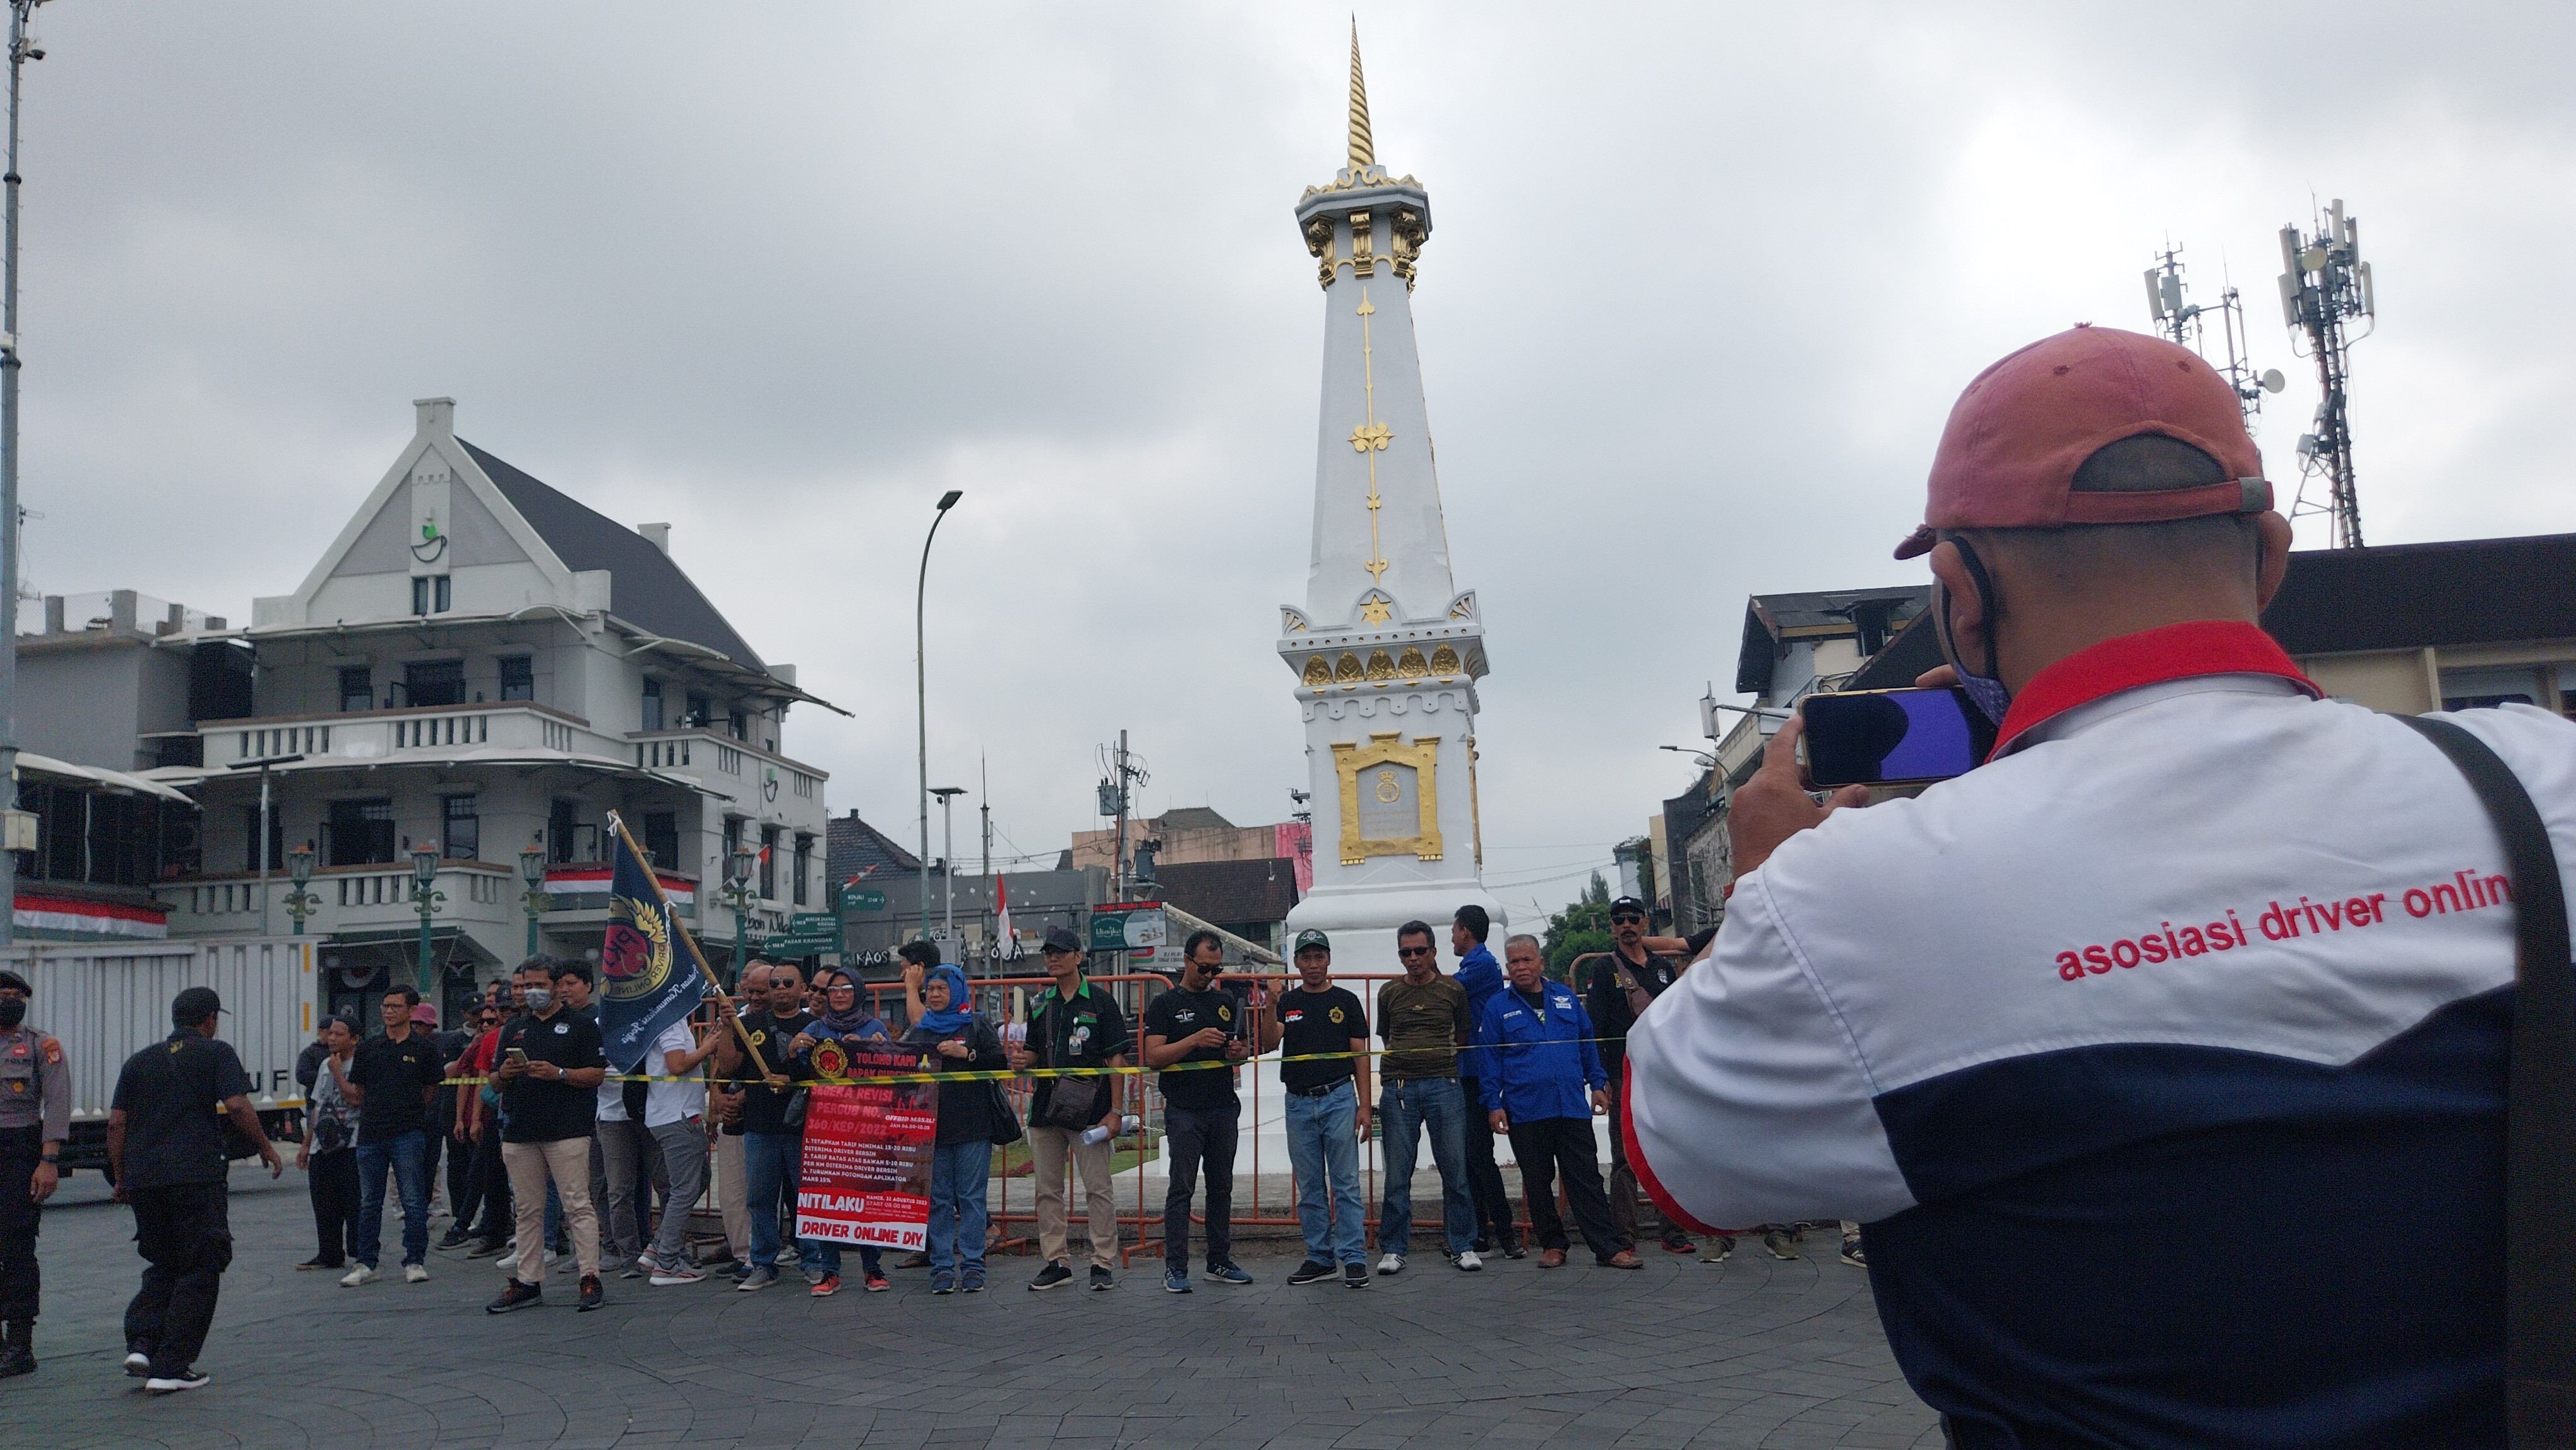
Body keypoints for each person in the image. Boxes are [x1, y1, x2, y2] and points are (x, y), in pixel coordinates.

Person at [1623, 324, 2576, 1447]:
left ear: (1961, 594)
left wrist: (1768, 883)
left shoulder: (1852, 903)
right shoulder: (2539, 786)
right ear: (2270, 554)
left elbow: (1686, 1168)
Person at [107, 986, 284, 1393]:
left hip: (146, 1179)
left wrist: (121, 1177)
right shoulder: (215, 1051)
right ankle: (171, 1367)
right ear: (210, 1020)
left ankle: (142, 1344)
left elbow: (117, 1124)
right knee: (202, 1263)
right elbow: (237, 1106)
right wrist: (266, 1148)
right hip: (194, 1175)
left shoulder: (139, 1061)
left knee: (163, 1261)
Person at [1479, 935, 1639, 1269]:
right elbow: (1490, 1059)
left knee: (1587, 1180)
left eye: (1527, 960)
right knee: (1537, 1182)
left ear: (1540, 962)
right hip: (1526, 1108)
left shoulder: (1565, 998)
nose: (1521, 967)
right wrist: (1493, 1103)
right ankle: (1553, 1244)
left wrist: (1598, 1084)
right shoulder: (1498, 1007)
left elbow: (1587, 1044)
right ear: (1507, 968)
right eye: (1514, 962)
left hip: (1570, 1106)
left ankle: (1608, 1248)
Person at [1006, 925, 1130, 1291]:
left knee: (1098, 1188)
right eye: (1048, 952)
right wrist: (1020, 1059)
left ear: (1079, 956)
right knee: (1047, 1190)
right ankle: (1056, 1261)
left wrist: (1117, 1112)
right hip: (1046, 1109)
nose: (1053, 958)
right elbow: (1032, 1053)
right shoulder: (1041, 1002)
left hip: (1091, 1111)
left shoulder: (1101, 1001)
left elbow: (1117, 1060)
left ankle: (1103, 1262)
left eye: (1060, 951)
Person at [484, 956, 608, 1314]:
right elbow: (493, 1080)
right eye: (525, 986)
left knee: (577, 1204)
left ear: (556, 986)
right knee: (526, 1209)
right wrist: (505, 1073)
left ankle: (590, 1276)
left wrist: (560, 1073)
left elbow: (597, 1074)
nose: (531, 992)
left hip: (567, 1128)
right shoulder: (514, 1029)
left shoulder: (581, 1025)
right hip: (520, 1129)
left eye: (539, 984)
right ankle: (528, 1280)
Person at [1141, 930, 1260, 1292]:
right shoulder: (1164, 1004)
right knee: (1182, 1188)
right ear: (1187, 960)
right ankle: (1175, 1267)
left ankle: (1219, 1260)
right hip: (1184, 1109)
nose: (1209, 975)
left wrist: (1239, 1051)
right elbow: (1153, 1057)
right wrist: (1193, 1039)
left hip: (1222, 1105)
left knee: (1221, 1186)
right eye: (1204, 968)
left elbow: (1243, 1046)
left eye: (1216, 969)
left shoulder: (1225, 1000)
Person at [1583, 897, 1702, 1258]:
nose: (1627, 925)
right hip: (1623, 1074)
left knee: (1670, 1150)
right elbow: (1596, 1029)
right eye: (1619, 920)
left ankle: (1674, 1231)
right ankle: (1625, 1234)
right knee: (1624, 1157)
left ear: (1646, 923)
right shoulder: (1605, 971)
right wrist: (1600, 1079)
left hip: (1663, 1073)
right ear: (1612, 927)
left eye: (1633, 918)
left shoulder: (1664, 969)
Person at [1373, 920, 1478, 1274]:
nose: (1414, 958)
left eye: (1421, 951)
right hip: (1399, 1087)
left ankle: (1462, 1244)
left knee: (1456, 1170)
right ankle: (1393, 1248)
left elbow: (1462, 1034)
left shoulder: (1453, 990)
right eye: (1406, 952)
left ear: (1433, 952)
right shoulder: (1388, 992)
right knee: (1397, 1174)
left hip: (1444, 1085)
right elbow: (1387, 1037)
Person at [1271, 930, 1373, 1289]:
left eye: (1319, 957)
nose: (1313, 965)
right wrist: (1270, 1005)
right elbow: (1269, 1042)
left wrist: (1365, 1106)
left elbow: (1360, 1055)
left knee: (1345, 1183)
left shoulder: (1346, 1001)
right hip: (1298, 1100)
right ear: (1296, 962)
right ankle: (1319, 1256)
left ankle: (1355, 1256)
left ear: (1328, 960)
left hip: (1338, 1098)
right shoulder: (1287, 1001)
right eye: (1306, 958)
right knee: (1310, 1186)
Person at [898, 961, 1008, 1294]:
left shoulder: (976, 1024)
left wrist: (967, 1054)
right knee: (938, 1200)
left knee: (972, 1198)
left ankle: (974, 1264)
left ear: (957, 991)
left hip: (973, 1127)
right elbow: (902, 1070)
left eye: (941, 989)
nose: (934, 994)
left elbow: (998, 1062)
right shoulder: (920, 1031)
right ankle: (942, 1266)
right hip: (933, 1130)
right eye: (930, 989)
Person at [785, 966, 892, 1295]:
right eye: (833, 990)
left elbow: (893, 1074)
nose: (840, 995)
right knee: (827, 1198)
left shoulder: (875, 1026)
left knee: (866, 1194)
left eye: (846, 989)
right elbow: (798, 1076)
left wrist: (877, 1050)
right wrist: (793, 1051)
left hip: (864, 1125)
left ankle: (872, 1268)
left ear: (858, 992)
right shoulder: (816, 1027)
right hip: (824, 1126)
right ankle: (830, 1271)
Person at [710, 960, 809, 1293]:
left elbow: (828, 1074)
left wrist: (792, 1079)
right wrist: (727, 1027)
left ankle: (813, 1260)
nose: (781, 988)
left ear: (802, 989)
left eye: (788, 983)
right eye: (776, 983)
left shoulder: (814, 1025)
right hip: (760, 1125)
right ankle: (763, 1263)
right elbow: (727, 1068)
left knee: (804, 1197)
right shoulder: (747, 1023)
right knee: (760, 1197)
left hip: (801, 1127)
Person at [337, 986, 444, 1287]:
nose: (388, 1011)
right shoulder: (370, 1048)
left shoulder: (425, 1049)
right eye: (385, 1006)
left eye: (395, 1006)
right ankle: (365, 1263)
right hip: (371, 1135)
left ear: (411, 1010)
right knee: (369, 1202)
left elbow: (430, 1089)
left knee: (413, 1200)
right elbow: (358, 1092)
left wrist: (410, 1113)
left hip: (408, 1134)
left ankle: (414, 1260)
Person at [0, 968, 67, 1377]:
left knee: (17, 1247)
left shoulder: (42, 1045)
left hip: (20, 1149)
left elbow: (57, 1104)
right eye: (2, 993)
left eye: (15, 994)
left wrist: (50, 1160)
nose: (9, 1000)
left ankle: (20, 1344)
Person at [1446, 906, 1522, 1261]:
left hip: (1477, 1071)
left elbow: (1445, 992)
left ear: (1466, 932)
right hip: (1467, 1069)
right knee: (1470, 1157)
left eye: (1454, 930)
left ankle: (1504, 1233)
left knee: (1478, 1155)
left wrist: (1425, 970)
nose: (1451, 937)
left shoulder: (1479, 966)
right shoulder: (1476, 965)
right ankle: (1482, 1233)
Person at [626, 1006, 720, 1287]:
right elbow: (677, 1065)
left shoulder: (670, 1021)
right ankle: (666, 1263)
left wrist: (704, 1045)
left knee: (701, 1177)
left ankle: (658, 1246)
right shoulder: (668, 1024)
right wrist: (709, 1048)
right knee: (684, 1190)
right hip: (676, 1116)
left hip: (670, 1113)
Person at [708, 962, 768, 1278]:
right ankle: (741, 1252)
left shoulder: (782, 1023)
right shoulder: (736, 1019)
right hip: (731, 1121)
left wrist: (742, 1098)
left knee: (758, 1194)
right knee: (731, 1194)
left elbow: (771, 1073)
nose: (754, 995)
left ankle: (760, 1255)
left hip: (762, 1121)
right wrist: (718, 1102)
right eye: (748, 988)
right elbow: (722, 1066)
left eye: (761, 990)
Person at [439, 1000, 506, 1252]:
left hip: (493, 1117)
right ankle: (483, 1224)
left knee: (483, 1173)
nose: (486, 1025)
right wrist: (461, 1118)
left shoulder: (499, 1040)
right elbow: (464, 1079)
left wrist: (476, 1119)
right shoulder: (477, 1045)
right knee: (478, 1173)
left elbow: (479, 1082)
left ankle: (464, 1224)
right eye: (482, 1021)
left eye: (492, 1021)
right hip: (474, 1116)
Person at [297, 1014, 362, 1273]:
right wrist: (306, 1145)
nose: (332, 1038)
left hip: (352, 1142)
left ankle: (360, 1252)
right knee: (324, 1202)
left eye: (339, 1034)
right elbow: (318, 1105)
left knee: (353, 1201)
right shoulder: (325, 1064)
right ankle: (329, 1253)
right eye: (330, 1033)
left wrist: (338, 1074)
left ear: (354, 1039)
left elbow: (355, 1099)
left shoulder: (359, 1064)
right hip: (323, 1143)